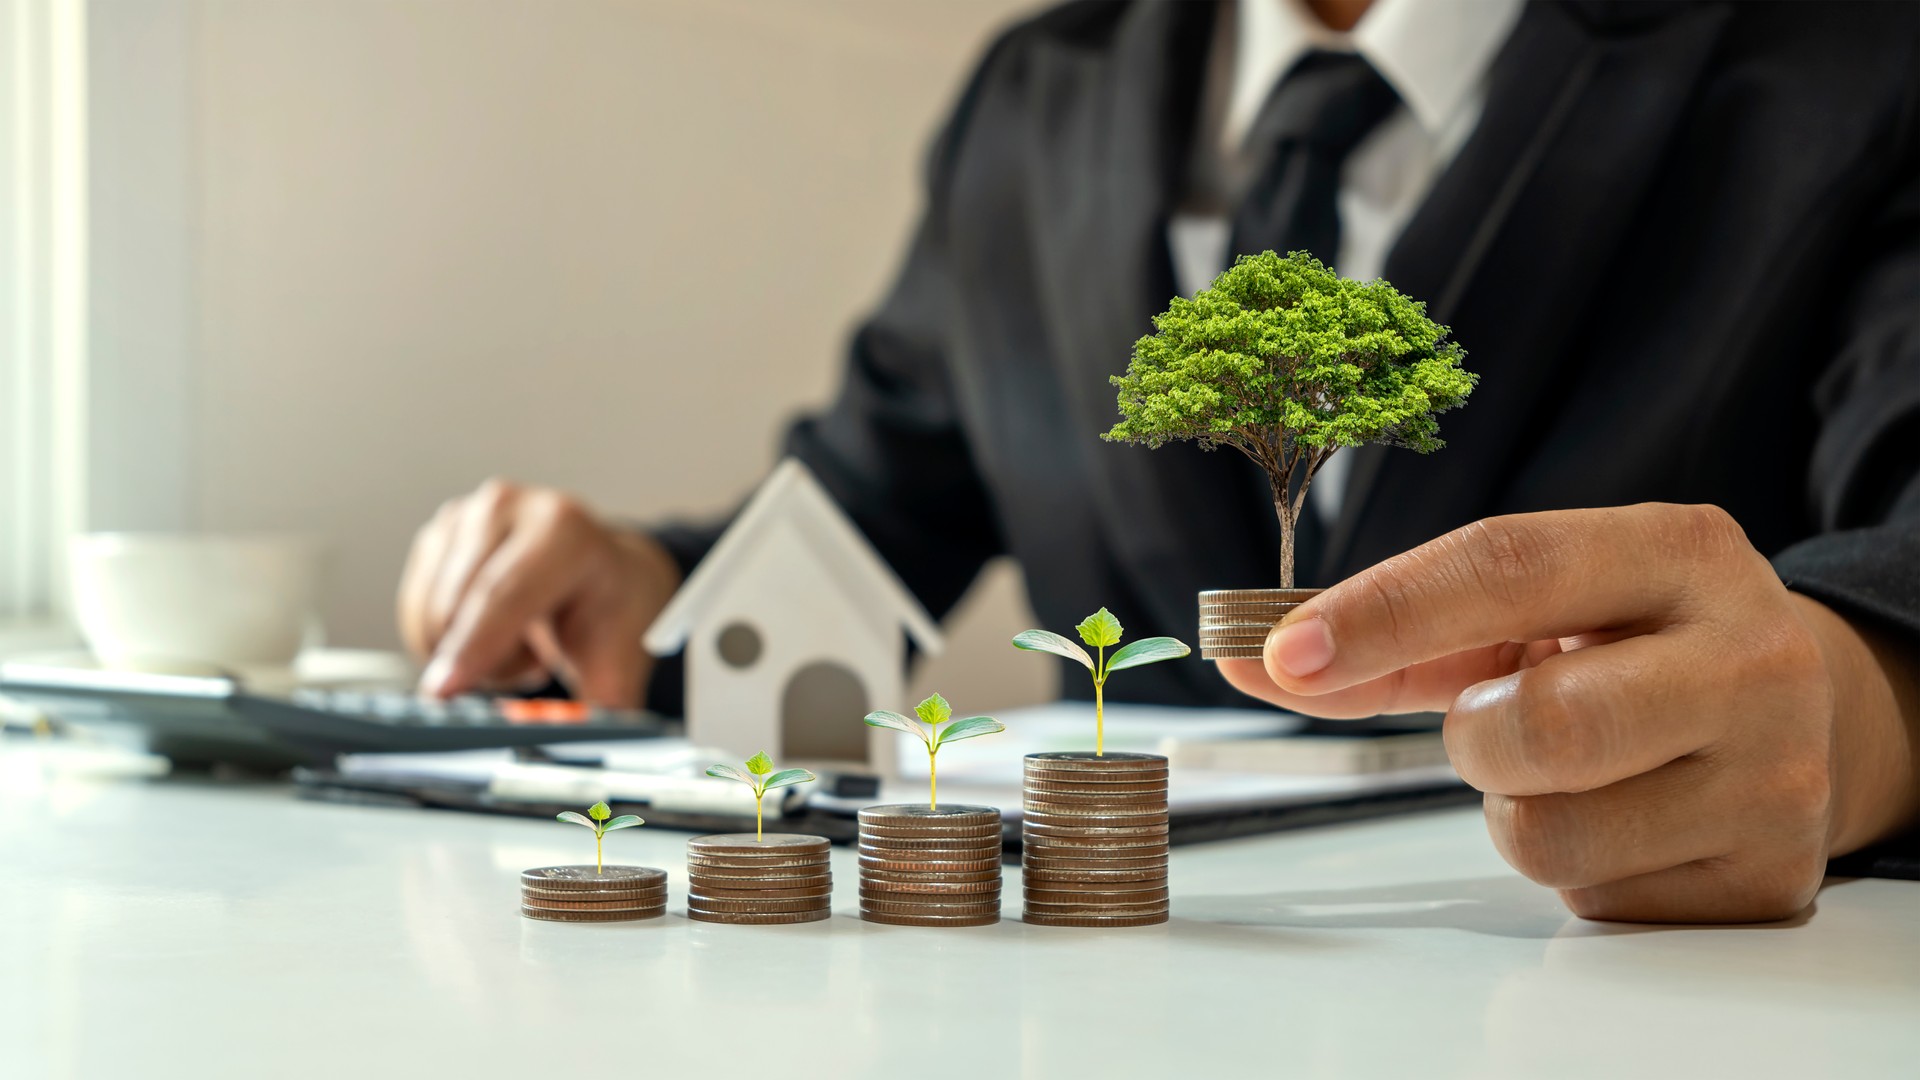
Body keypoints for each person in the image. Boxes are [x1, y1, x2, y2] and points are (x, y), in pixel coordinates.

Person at [395, 0, 1919, 923]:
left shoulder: (1851, 61)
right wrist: (646, 582)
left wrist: (1858, 709)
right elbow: (879, 499)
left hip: (1588, 994)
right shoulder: (1036, 96)